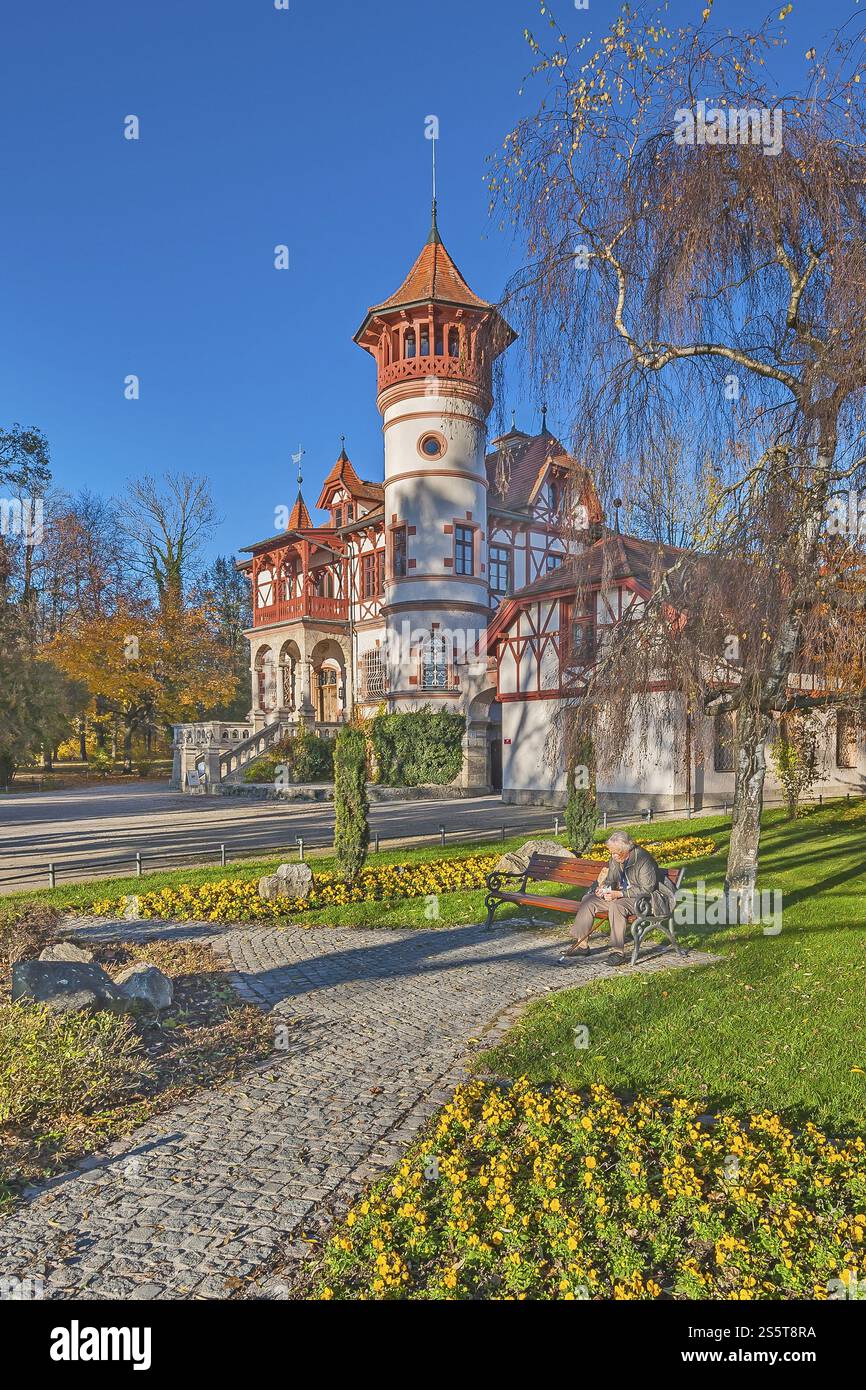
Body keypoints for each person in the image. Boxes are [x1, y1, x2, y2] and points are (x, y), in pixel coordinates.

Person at [559, 830, 674, 966]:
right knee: (588, 900)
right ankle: (582, 945)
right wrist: (604, 889)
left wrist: (619, 894)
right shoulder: (616, 858)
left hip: (647, 900)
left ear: (627, 850)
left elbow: (647, 889)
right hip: (624, 896)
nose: (613, 856)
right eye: (611, 852)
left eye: (616, 853)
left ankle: (618, 952)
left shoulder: (643, 859)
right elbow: (611, 879)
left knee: (617, 906)